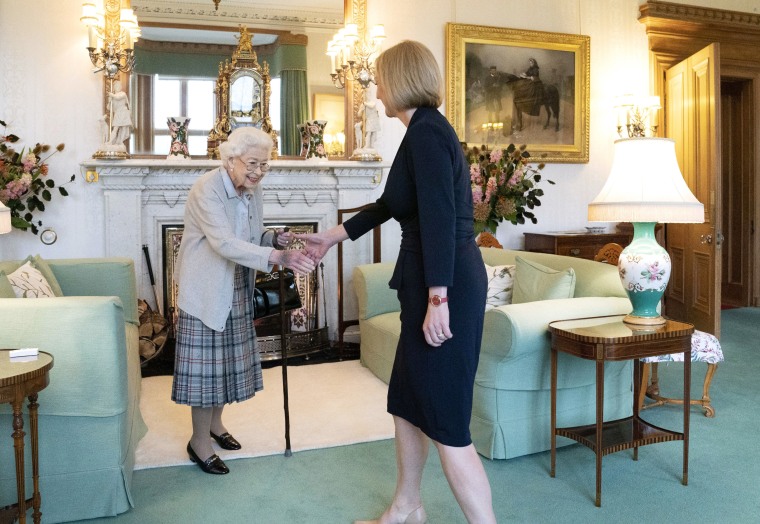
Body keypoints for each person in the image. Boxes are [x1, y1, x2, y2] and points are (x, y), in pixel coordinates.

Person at [297, 40, 496, 524]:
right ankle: (406, 510)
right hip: (427, 282)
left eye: (380, 79)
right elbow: (391, 205)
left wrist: (438, 298)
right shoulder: (419, 132)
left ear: (402, 80)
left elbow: (441, 218)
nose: (376, 88)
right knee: (406, 402)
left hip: (445, 285)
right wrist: (331, 237)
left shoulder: (427, 134)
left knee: (448, 423)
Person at [171, 126, 315, 475]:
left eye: (264, 165)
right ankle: (199, 443)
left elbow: (250, 235)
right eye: (252, 163)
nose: (257, 172)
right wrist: (276, 258)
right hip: (205, 288)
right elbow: (222, 242)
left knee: (226, 365)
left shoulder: (253, 190)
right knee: (206, 373)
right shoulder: (207, 189)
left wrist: (275, 238)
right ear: (230, 159)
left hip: (236, 283)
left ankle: (216, 427)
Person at [108, 80, 132, 145]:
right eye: (117, 86)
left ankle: (120, 142)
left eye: (119, 85)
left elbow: (118, 98)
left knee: (124, 128)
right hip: (118, 113)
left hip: (123, 112)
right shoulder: (113, 96)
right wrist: (109, 101)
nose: (118, 87)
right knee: (115, 128)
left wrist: (112, 95)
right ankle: (110, 142)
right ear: (114, 87)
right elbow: (109, 108)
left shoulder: (123, 94)